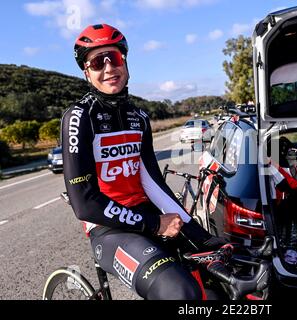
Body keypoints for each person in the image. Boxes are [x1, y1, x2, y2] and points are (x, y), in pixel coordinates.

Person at [62, 24, 224, 300]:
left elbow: (153, 183)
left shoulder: (140, 117)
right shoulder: (79, 118)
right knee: (179, 291)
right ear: (86, 72)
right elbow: (85, 203)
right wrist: (153, 224)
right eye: (97, 62)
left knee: (220, 282)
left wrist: (198, 234)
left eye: (113, 58)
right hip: (109, 229)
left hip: (148, 216)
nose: (108, 69)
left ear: (124, 62)